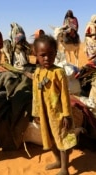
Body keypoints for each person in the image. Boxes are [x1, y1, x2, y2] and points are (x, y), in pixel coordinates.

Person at [32, 35, 77, 175]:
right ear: (36, 55)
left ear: (55, 54)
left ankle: (64, 168)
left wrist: (67, 115)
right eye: (43, 55)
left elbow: (64, 95)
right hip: (45, 115)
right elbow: (35, 95)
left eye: (50, 54)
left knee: (62, 139)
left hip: (58, 115)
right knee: (50, 139)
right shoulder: (37, 73)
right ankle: (57, 160)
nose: (47, 58)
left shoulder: (59, 73)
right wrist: (36, 113)